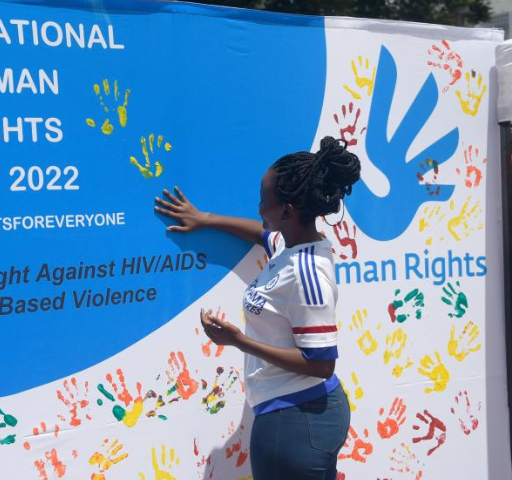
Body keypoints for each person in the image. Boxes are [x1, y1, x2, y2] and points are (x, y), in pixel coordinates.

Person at [154, 136, 360, 480]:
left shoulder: (308, 274)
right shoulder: (289, 245)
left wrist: (238, 341)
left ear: (287, 212)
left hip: (298, 420)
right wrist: (203, 219)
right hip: (293, 415)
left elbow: (322, 363)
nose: (258, 207)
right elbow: (262, 234)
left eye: (263, 200)